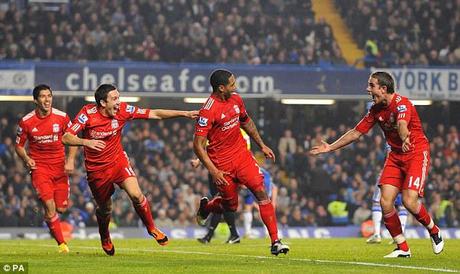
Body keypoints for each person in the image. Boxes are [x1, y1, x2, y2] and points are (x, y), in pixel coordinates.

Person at [310, 71, 444, 258]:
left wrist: (405, 138)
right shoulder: (375, 110)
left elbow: (402, 124)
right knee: (385, 201)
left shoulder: (402, 104)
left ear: (383, 88)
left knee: (409, 201)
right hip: (396, 155)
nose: (368, 89)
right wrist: (330, 147)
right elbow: (356, 132)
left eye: (371, 85)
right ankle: (402, 248)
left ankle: (434, 231)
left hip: (415, 153)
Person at [62, 83, 198, 256]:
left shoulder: (123, 110)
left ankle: (152, 228)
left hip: (119, 162)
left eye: (119, 97)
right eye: (114, 99)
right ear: (103, 103)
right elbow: (66, 137)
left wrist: (184, 113)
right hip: (97, 170)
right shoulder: (87, 114)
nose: (119, 102)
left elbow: (154, 113)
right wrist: (86, 142)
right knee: (105, 209)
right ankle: (105, 236)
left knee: (136, 195)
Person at [193, 69, 289, 256]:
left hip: (242, 157)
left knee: (261, 192)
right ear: (221, 88)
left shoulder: (236, 99)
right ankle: (207, 208)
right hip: (222, 164)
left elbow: (247, 122)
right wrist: (213, 171)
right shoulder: (208, 110)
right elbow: (198, 145)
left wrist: (261, 145)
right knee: (231, 206)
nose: (235, 87)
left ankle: (275, 241)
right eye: (232, 84)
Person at [15, 84, 78, 253]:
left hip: (60, 169)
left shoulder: (62, 117)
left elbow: (73, 138)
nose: (47, 99)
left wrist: (70, 160)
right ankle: (62, 245)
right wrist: (27, 158)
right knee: (50, 208)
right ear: (35, 100)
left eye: (49, 96)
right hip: (39, 169)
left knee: (61, 208)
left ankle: (48, 214)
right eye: (42, 96)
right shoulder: (27, 121)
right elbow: (19, 146)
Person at [193, 129, 250, 245]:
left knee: (221, 201)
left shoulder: (241, 133)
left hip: (227, 171)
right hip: (213, 171)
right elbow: (209, 149)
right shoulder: (217, 129)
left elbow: (245, 151)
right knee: (220, 203)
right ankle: (231, 235)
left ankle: (211, 235)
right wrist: (199, 161)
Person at [242, 164, 278, 238]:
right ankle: (248, 233)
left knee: (264, 207)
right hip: (252, 180)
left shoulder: (266, 181)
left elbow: (274, 188)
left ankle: (267, 232)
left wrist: (273, 203)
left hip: (255, 180)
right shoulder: (255, 177)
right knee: (250, 206)